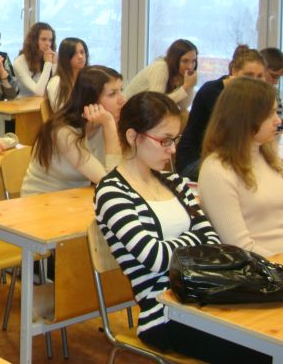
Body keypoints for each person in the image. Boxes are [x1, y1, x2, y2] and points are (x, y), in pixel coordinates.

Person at [95, 91, 269, 363]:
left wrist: (180, 245)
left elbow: (212, 241)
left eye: (175, 140)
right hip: (163, 314)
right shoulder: (112, 192)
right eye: (164, 140)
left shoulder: (174, 182)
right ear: (132, 136)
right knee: (261, 353)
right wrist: (193, 238)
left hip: (206, 298)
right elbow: (154, 258)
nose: (173, 150)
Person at [198, 77, 283, 257]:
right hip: (262, 267)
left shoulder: (269, 159)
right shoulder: (217, 169)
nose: (278, 120)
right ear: (246, 118)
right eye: (270, 114)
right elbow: (240, 246)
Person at [21, 65, 124, 196]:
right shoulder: (63, 132)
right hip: (41, 199)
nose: (122, 100)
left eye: (121, 90)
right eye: (112, 94)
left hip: (78, 197)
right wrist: (109, 125)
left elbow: (124, 174)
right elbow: (111, 183)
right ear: (91, 100)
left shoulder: (103, 123)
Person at [176, 45, 266, 179]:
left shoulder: (252, 96)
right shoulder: (212, 91)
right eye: (248, 75)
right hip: (195, 161)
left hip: (223, 159)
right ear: (234, 71)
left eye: (259, 76)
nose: (254, 82)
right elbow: (234, 135)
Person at [123, 39, 198, 109]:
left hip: (145, 111)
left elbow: (184, 106)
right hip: (127, 110)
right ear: (175, 59)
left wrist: (190, 86)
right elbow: (157, 104)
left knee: (183, 114)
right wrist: (185, 87)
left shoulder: (180, 73)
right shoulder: (161, 67)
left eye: (193, 61)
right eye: (185, 61)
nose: (190, 66)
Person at [13, 22, 57, 98]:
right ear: (34, 40)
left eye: (50, 40)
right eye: (43, 39)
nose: (48, 44)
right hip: (24, 103)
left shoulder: (50, 57)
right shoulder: (19, 62)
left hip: (44, 102)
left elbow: (55, 88)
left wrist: (54, 64)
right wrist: (48, 63)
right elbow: (39, 92)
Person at [46, 37, 88, 112]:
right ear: (65, 57)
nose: (80, 57)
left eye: (82, 52)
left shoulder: (88, 77)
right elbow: (61, 112)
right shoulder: (56, 82)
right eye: (74, 53)